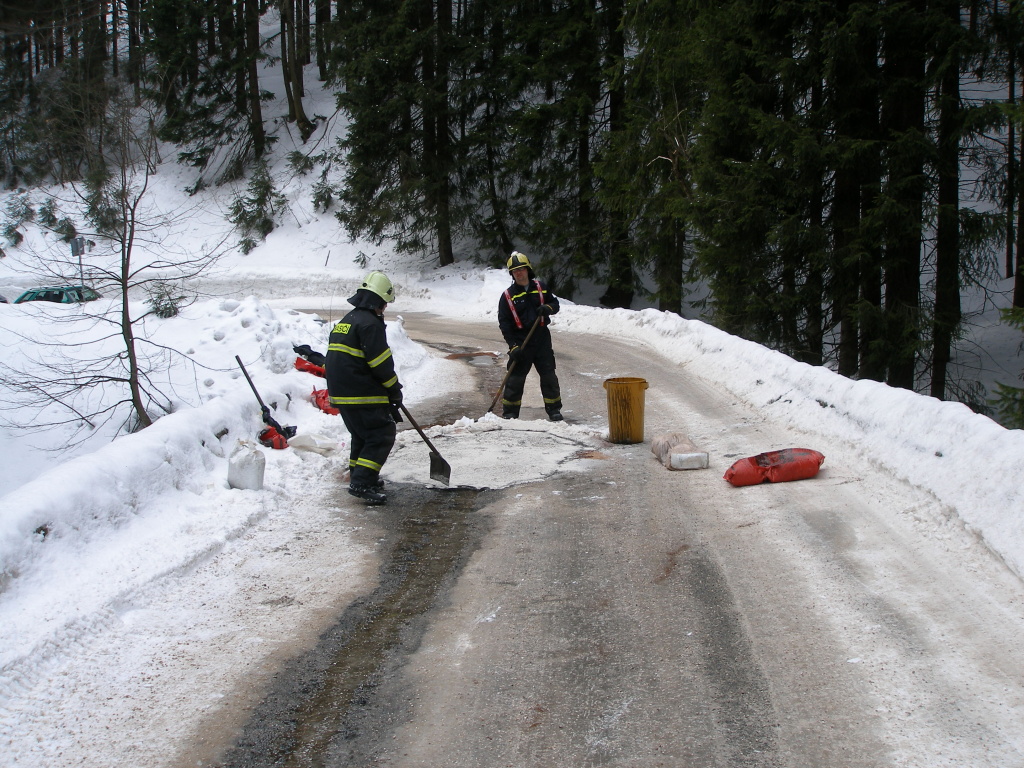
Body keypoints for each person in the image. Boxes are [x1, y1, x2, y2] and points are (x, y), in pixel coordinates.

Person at [326, 271, 403, 504]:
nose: (385, 308)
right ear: (378, 301)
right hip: (360, 392)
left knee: (362, 435)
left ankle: (361, 476)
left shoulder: (347, 321)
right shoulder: (370, 324)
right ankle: (361, 482)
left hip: (342, 393)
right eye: (385, 303)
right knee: (382, 435)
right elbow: (380, 363)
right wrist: (394, 389)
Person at [497, 251, 563, 421]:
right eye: (515, 270)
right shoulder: (507, 296)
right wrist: (513, 346)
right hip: (521, 342)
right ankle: (510, 413)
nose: (519, 273)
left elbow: (555, 303)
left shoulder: (541, 287)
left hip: (541, 340)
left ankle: (554, 409)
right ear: (512, 274)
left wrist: (548, 308)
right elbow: (505, 324)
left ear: (528, 270)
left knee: (549, 376)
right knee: (515, 380)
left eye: (521, 269)